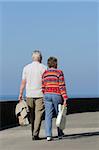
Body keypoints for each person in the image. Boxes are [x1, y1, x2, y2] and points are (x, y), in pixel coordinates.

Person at [18, 50, 47, 140]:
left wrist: (20, 94)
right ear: (40, 58)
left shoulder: (26, 68)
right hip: (40, 94)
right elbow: (46, 83)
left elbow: (23, 82)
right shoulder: (44, 68)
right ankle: (35, 134)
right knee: (38, 115)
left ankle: (33, 133)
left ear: (32, 58)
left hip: (29, 94)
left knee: (31, 115)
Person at [42, 56, 68, 141]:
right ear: (56, 63)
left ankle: (48, 135)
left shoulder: (45, 73)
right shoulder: (59, 72)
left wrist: (45, 93)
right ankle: (60, 133)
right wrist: (65, 98)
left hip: (47, 94)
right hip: (56, 94)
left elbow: (43, 86)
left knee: (48, 116)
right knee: (59, 114)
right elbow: (62, 86)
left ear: (48, 64)